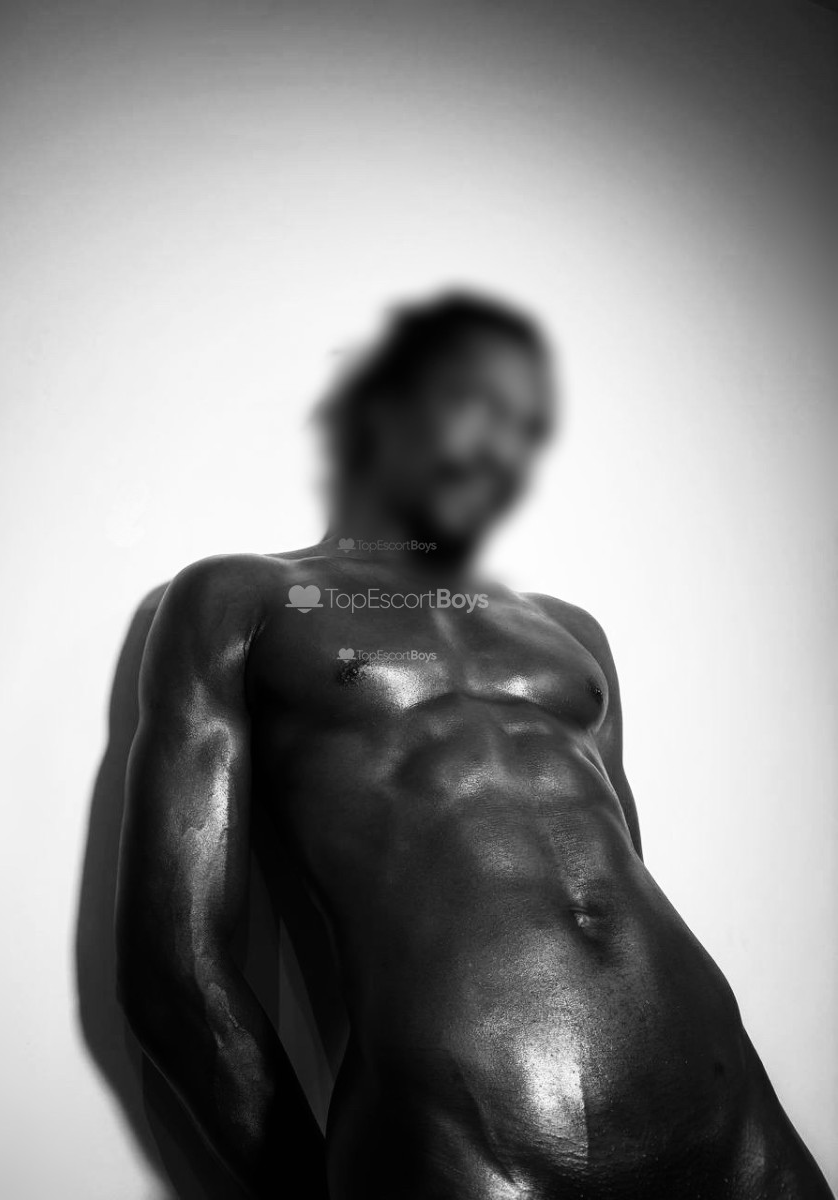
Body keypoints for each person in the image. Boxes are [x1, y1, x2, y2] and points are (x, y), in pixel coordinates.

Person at [116, 293, 833, 1199]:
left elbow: (608, 883)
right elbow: (172, 967)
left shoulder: (568, 629)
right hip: (469, 1137)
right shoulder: (244, 597)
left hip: (723, 1104)